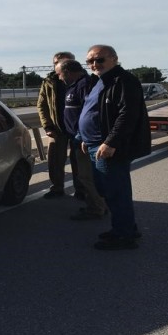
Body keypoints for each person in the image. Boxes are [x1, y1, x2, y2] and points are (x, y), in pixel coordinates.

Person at [79, 45, 151, 250]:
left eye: (99, 60)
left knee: (115, 192)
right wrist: (85, 137)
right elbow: (95, 112)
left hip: (109, 147)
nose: (94, 65)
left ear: (114, 59)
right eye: (90, 61)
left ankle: (124, 236)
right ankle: (125, 228)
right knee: (107, 190)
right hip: (95, 144)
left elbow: (127, 115)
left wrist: (111, 142)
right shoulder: (100, 81)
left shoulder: (124, 81)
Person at [56, 59, 108, 220]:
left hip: (85, 139)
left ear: (67, 71)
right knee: (85, 175)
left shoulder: (85, 84)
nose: (58, 78)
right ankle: (97, 205)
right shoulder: (75, 85)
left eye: (59, 74)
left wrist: (81, 136)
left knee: (87, 176)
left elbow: (90, 112)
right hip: (79, 138)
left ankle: (97, 208)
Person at [38, 51, 85, 199]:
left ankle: (81, 189)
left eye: (65, 61)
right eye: (56, 62)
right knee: (55, 160)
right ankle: (57, 188)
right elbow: (42, 105)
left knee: (79, 161)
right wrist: (47, 126)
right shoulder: (49, 81)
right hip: (57, 128)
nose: (60, 64)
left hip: (79, 128)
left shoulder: (84, 79)